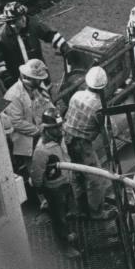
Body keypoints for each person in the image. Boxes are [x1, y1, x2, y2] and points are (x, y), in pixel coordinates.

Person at [63, 66, 116, 221]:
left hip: (66, 139)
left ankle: (81, 209)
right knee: (95, 180)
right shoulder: (99, 106)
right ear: (103, 87)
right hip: (81, 144)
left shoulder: (77, 95)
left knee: (77, 174)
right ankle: (97, 213)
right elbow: (107, 129)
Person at [29, 111, 81, 259]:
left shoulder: (59, 139)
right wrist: (41, 189)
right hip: (54, 189)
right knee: (59, 218)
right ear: (46, 129)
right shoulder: (42, 150)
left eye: (60, 126)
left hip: (66, 182)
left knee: (68, 211)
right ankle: (65, 247)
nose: (60, 130)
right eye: (55, 128)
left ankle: (68, 235)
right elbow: (37, 173)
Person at [3, 58, 53, 207]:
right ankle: (42, 198)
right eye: (37, 80)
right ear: (28, 78)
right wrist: (39, 131)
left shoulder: (38, 88)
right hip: (27, 139)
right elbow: (16, 122)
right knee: (35, 169)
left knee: (48, 163)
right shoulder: (13, 96)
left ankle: (52, 190)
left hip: (42, 133)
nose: (40, 82)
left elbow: (47, 103)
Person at [0, 2, 71, 91]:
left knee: (46, 94)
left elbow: (50, 34)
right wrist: (10, 83)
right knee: (27, 101)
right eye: (20, 19)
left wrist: (64, 47)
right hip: (19, 78)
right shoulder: (0, 39)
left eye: (24, 16)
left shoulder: (32, 24)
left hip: (39, 72)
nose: (24, 19)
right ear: (12, 22)